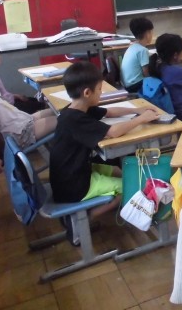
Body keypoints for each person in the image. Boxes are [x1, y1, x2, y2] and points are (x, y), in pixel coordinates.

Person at [49, 61, 160, 245]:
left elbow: (109, 112)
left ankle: (97, 211)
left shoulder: (76, 109)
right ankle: (83, 219)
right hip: (74, 186)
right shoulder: (76, 120)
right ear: (87, 92)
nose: (101, 93)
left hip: (73, 174)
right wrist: (141, 119)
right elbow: (113, 132)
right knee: (130, 187)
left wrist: (136, 110)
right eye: (100, 89)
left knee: (118, 171)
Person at [0, 41, 43, 114]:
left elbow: (2, 95)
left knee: (33, 100)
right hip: (10, 107)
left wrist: (14, 96)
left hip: (10, 101)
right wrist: (14, 111)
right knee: (38, 105)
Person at [120, 17, 154, 93]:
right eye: (151, 32)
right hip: (135, 86)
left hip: (127, 84)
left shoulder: (132, 47)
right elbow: (146, 73)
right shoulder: (143, 50)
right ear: (147, 33)